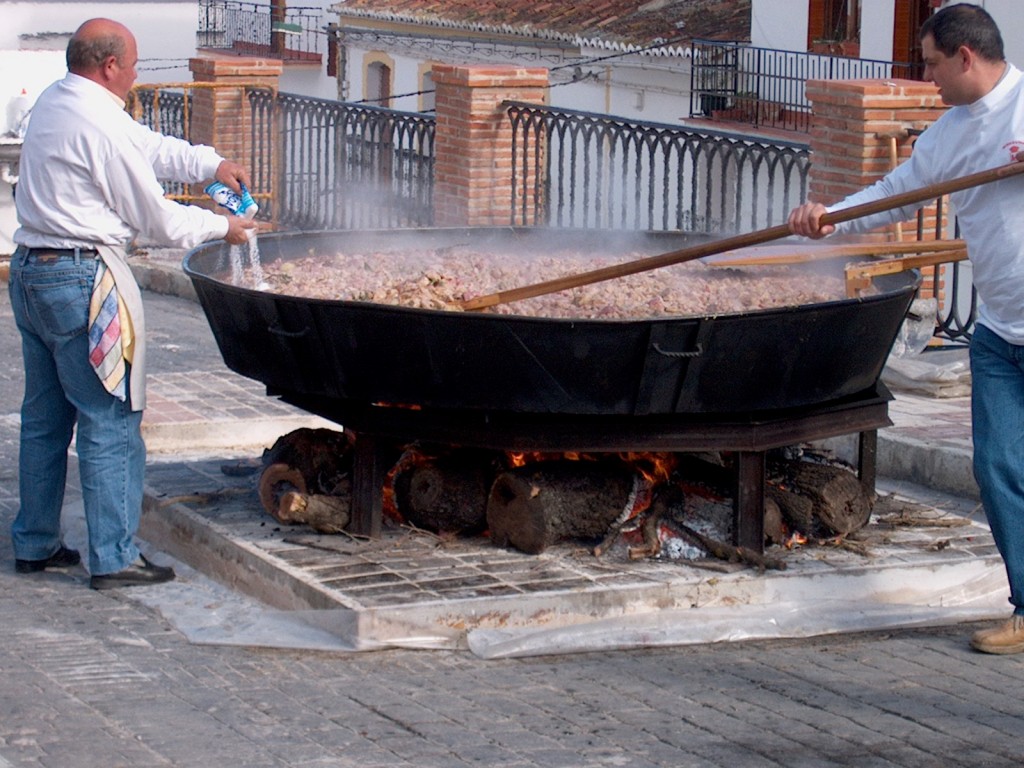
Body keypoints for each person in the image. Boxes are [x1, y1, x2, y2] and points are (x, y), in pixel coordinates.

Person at [788, 3, 1024, 654]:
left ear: (966, 56)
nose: (929, 77)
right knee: (999, 467)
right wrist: (831, 217)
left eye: (931, 63)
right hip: (1001, 334)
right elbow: (898, 190)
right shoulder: (949, 134)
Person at [9, 18, 255, 589]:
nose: (139, 73)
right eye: (135, 63)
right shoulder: (97, 123)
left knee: (46, 419)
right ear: (110, 66)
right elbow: (157, 218)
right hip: (81, 279)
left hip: (32, 272)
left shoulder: (59, 98)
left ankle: (36, 543)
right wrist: (224, 227)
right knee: (111, 417)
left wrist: (209, 164)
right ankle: (115, 557)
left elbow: (142, 145)